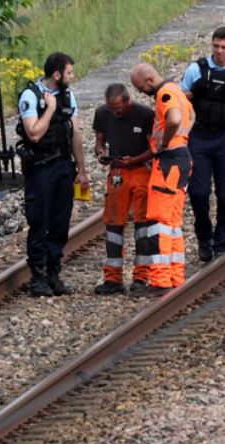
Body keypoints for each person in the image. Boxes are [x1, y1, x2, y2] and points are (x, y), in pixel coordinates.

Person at [16, 52, 90, 297]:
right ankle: (37, 277)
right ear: (57, 74)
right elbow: (34, 133)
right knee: (39, 221)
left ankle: (53, 273)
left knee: (60, 223)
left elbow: (75, 134)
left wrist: (81, 170)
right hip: (41, 169)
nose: (72, 76)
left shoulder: (68, 95)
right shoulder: (31, 97)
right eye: (69, 73)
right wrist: (50, 109)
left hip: (63, 166)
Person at [179, 26, 225, 262]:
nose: (219, 51)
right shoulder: (196, 69)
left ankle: (223, 239)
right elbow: (178, 100)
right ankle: (204, 238)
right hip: (199, 136)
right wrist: (195, 92)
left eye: (224, 47)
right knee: (199, 192)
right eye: (215, 46)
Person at [129, 63, 195, 297]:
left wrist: (165, 143)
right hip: (182, 157)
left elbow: (175, 118)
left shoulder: (164, 94)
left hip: (169, 161)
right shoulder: (176, 90)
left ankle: (159, 280)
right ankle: (176, 276)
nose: (139, 93)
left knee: (159, 222)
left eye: (139, 87)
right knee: (173, 222)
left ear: (149, 79)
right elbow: (191, 114)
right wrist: (180, 138)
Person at [92, 83, 156, 295]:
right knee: (113, 224)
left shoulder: (145, 115)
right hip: (118, 172)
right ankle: (113, 278)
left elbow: (154, 148)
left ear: (128, 100)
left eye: (118, 107)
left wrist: (134, 159)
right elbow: (99, 142)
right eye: (111, 108)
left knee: (143, 224)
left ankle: (141, 276)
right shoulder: (102, 113)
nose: (115, 112)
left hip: (141, 171)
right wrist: (101, 153)